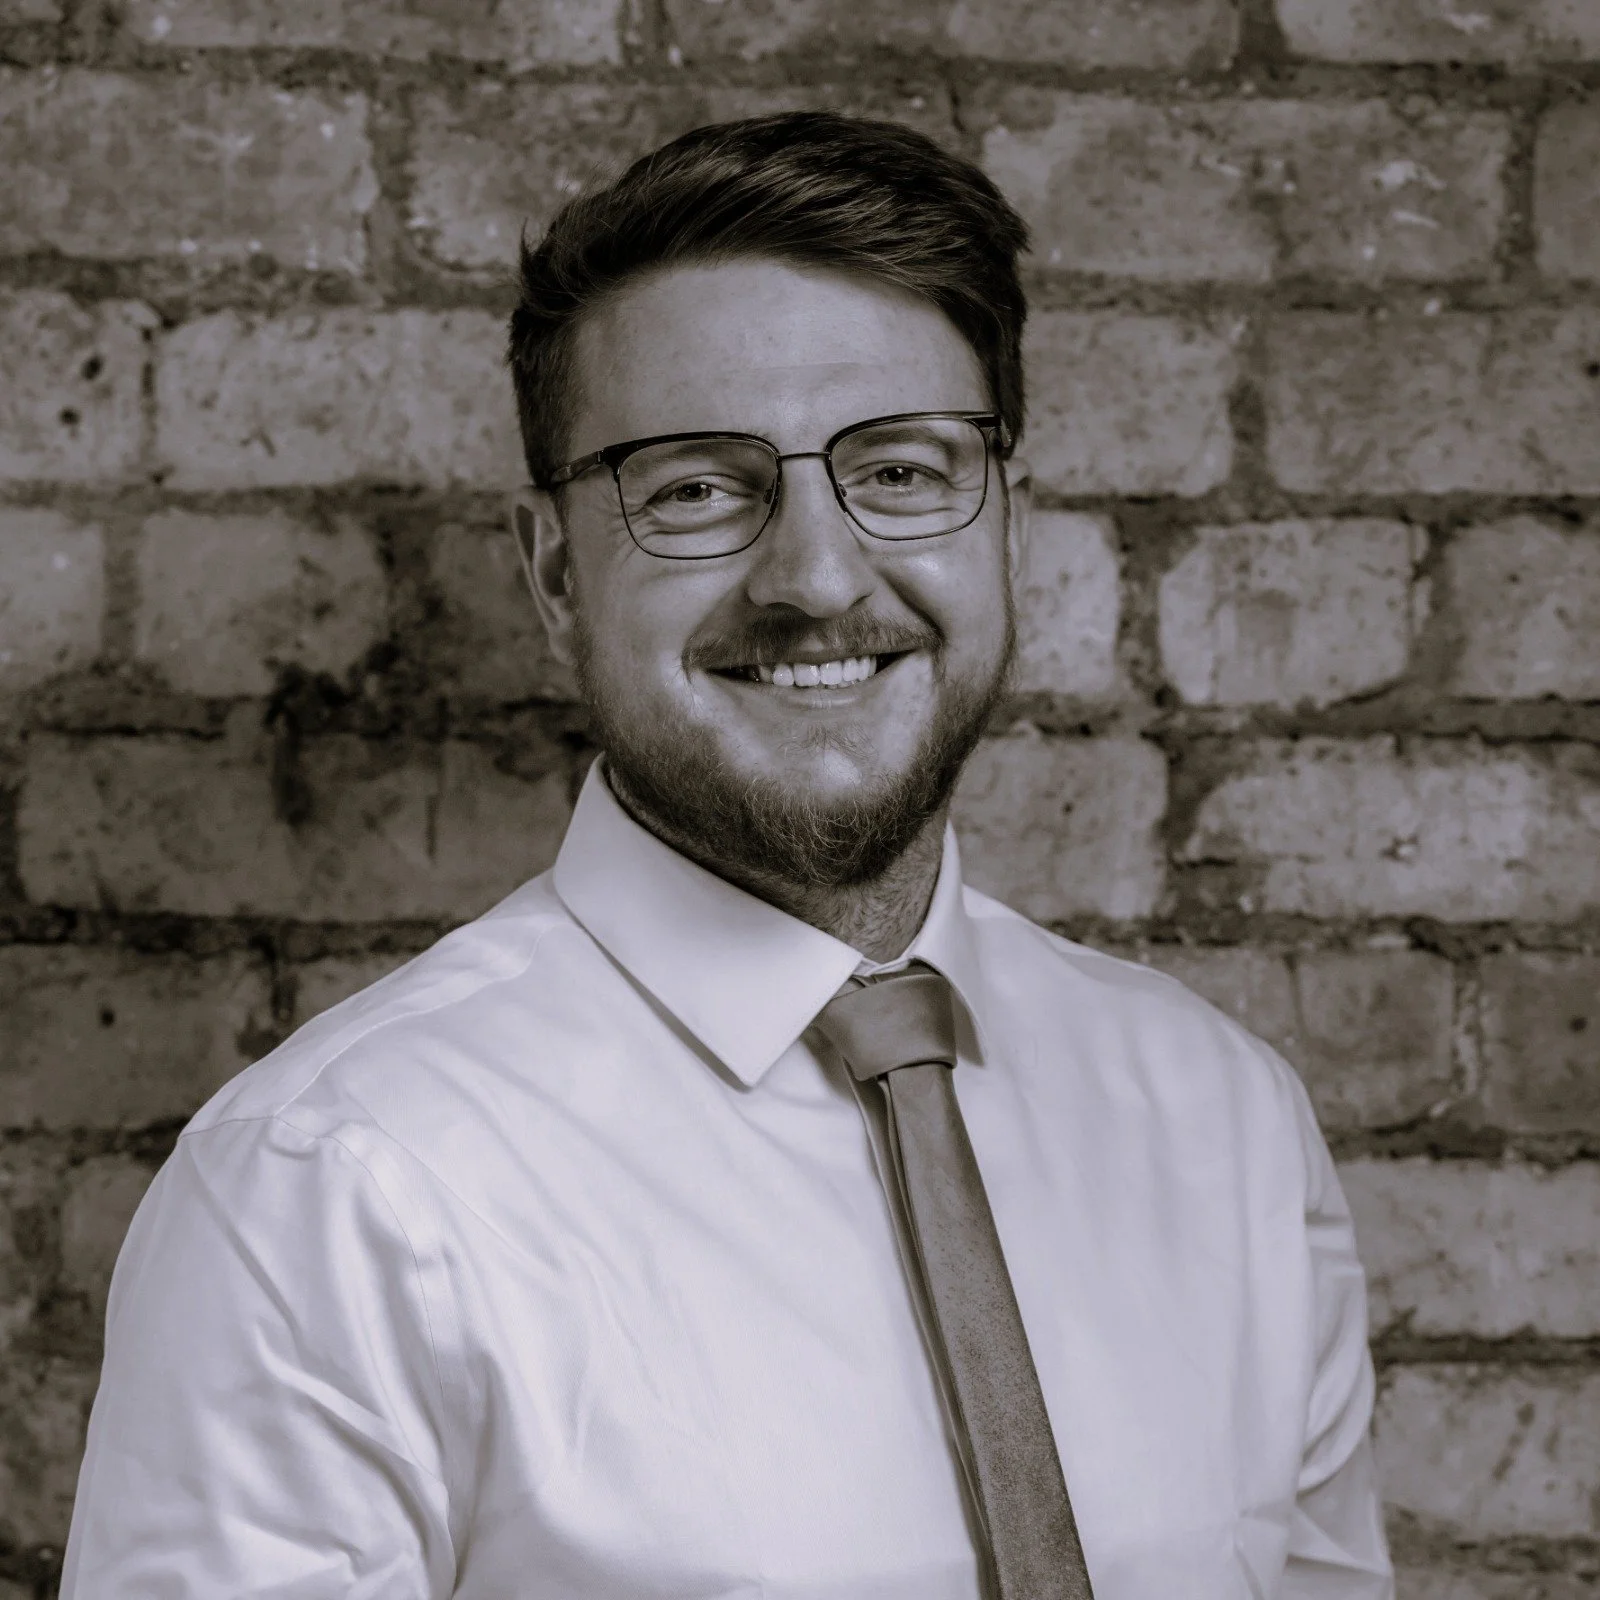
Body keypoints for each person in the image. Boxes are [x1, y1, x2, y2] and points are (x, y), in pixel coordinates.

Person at [62, 112, 1394, 1598]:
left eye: (901, 469)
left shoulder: (1223, 1122)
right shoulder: (337, 1196)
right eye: (697, 486)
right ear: (558, 571)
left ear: (1008, 519)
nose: (819, 577)